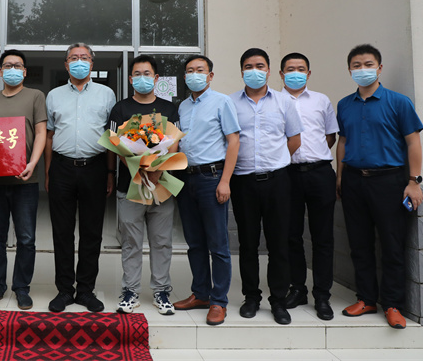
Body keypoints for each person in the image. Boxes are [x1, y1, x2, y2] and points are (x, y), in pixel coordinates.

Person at [336, 44, 423, 329]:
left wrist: (414, 181)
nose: (362, 69)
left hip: (389, 181)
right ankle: (366, 299)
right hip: (353, 180)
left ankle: (393, 304)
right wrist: (340, 177)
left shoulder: (399, 102)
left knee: (392, 244)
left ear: (379, 68)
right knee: (359, 243)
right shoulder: (344, 105)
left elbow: (413, 142)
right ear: (349, 70)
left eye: (368, 64)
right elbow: (343, 142)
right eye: (357, 65)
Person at [229, 47, 302, 325]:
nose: (254, 71)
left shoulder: (284, 102)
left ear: (269, 71)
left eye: (259, 66)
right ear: (241, 71)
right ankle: (251, 297)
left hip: (278, 181)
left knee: (278, 243)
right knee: (247, 243)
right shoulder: (230, 103)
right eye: (249, 66)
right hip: (243, 181)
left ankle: (278, 300)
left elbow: (294, 140)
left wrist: (276, 160)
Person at [45, 43, 116, 313]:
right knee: (62, 232)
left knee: (92, 232)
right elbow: (49, 135)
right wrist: (48, 173)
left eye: (84, 57)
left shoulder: (106, 94)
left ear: (92, 63)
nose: (79, 62)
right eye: (73, 58)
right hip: (61, 167)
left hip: (95, 168)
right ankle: (64, 290)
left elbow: (111, 138)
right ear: (66, 64)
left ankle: (85, 290)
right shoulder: (54, 95)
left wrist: (110, 172)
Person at [173, 54, 240, 326]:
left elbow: (233, 141)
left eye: (199, 70)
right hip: (185, 178)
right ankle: (200, 293)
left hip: (212, 178)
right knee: (194, 242)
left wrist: (225, 181)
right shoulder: (182, 106)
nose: (194, 75)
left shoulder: (222, 102)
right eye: (189, 70)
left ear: (210, 75)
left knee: (218, 244)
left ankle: (219, 301)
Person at [109, 55, 179, 316]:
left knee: (162, 242)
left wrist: (157, 169)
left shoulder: (169, 109)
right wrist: (138, 166)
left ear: (156, 78)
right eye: (137, 74)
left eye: (147, 73)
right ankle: (130, 291)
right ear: (130, 79)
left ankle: (161, 291)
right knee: (131, 242)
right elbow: (115, 144)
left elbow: (174, 143)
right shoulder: (120, 109)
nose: (142, 78)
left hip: (162, 184)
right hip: (130, 185)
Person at [0, 50, 47, 310]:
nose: (12, 69)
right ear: (0, 71)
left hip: (25, 179)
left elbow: (41, 133)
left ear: (25, 71)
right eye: (7, 65)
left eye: (17, 65)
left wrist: (33, 163)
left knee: (26, 238)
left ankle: (22, 288)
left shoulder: (35, 96)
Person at [279, 53, 338, 321]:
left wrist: (312, 156)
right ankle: (298, 289)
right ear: (281, 74)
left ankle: (322, 295)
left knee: (323, 237)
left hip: (320, 173)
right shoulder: (274, 100)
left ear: (309, 73)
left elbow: (330, 136)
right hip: (287, 174)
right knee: (291, 235)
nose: (296, 73)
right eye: (290, 69)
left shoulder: (321, 100)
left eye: (301, 69)